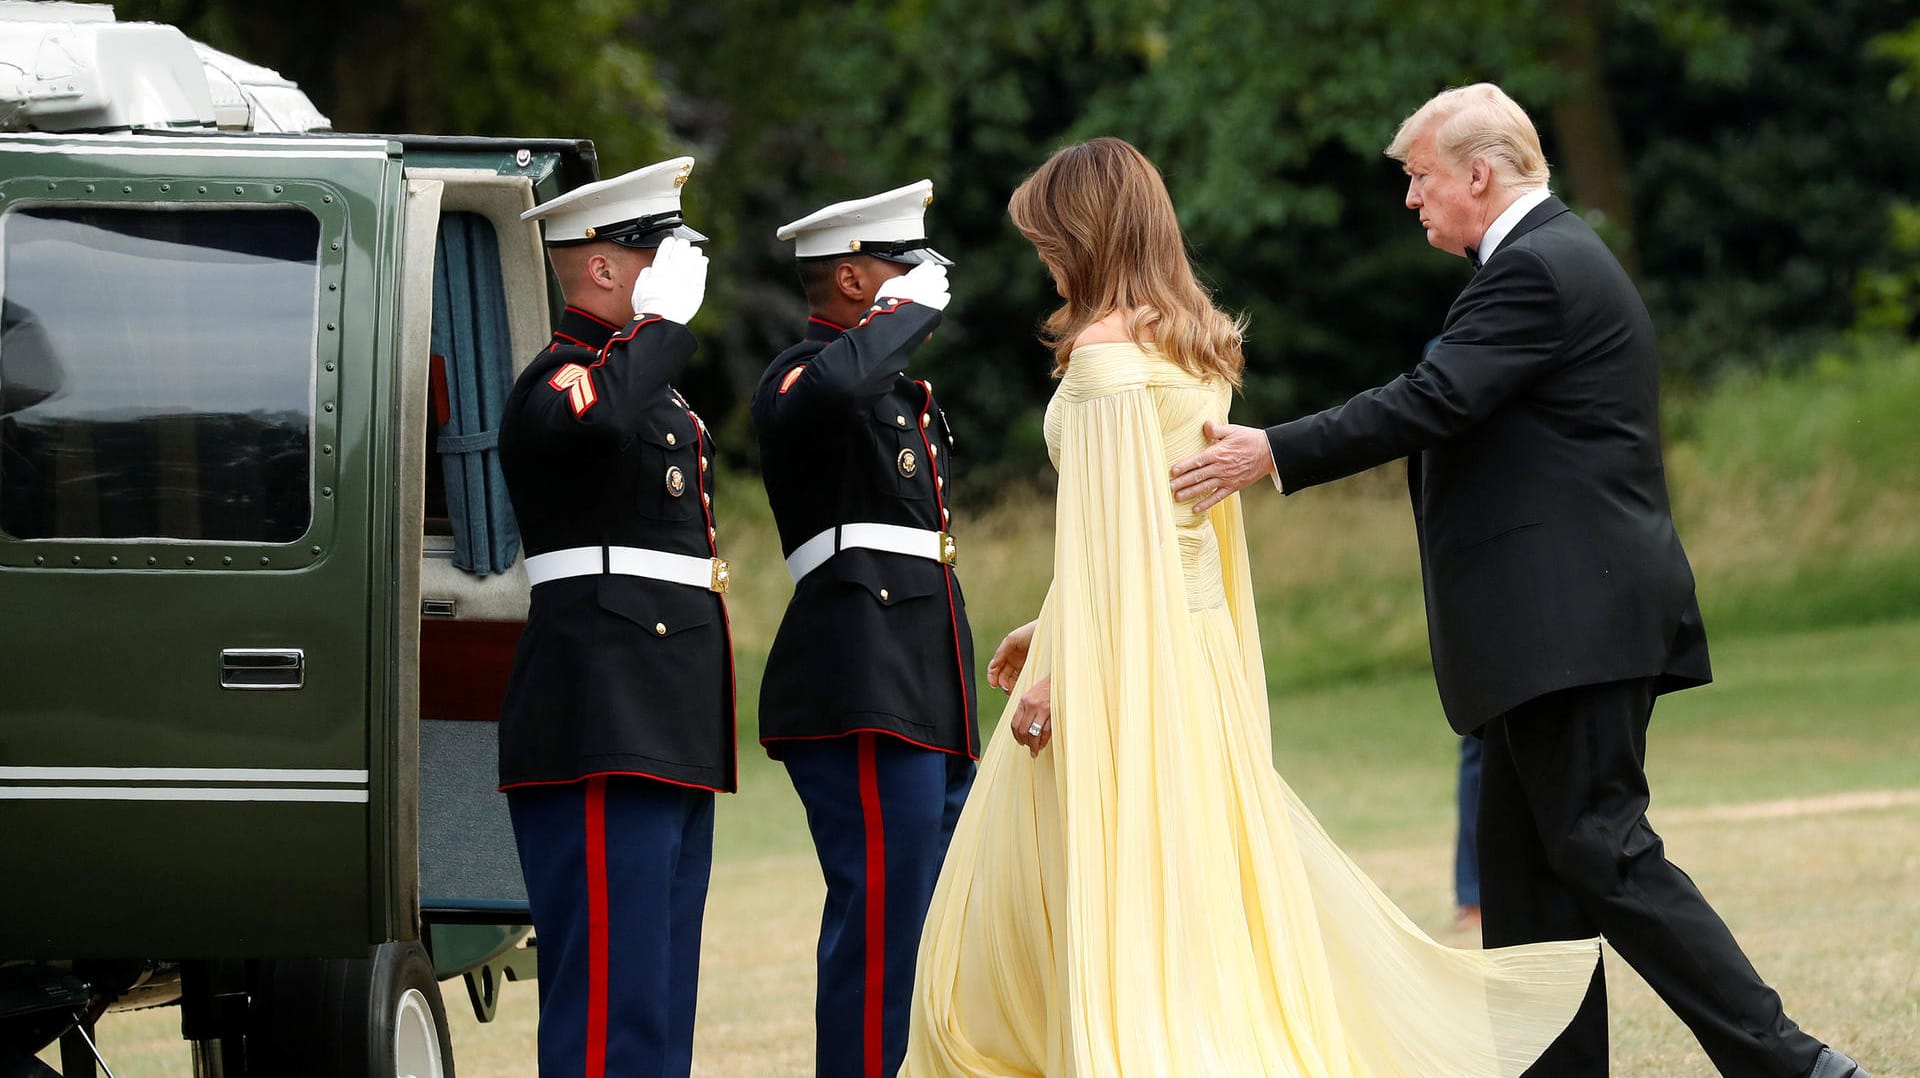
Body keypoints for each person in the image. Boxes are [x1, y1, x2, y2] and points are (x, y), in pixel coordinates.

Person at [1169, 84, 1866, 1078]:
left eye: (1419, 178)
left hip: (1570, 627)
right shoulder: (1545, 262)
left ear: (1479, 174)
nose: (1411, 200)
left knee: (1602, 849)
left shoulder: (1535, 269)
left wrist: (1270, 451)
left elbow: (1434, 398)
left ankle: (1796, 1065)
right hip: (1549, 632)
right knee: (1529, 883)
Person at [902, 136, 1600, 1078]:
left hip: (1128, 652)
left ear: (1084, 232)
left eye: (1046, 240)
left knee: (1108, 876)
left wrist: (1059, 664)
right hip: (1191, 641)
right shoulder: (1193, 342)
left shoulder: (1107, 358)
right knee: (1195, 864)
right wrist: (1053, 615)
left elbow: (1115, 533)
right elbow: (1152, 523)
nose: (1043, 260)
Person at [496, 156, 735, 1078]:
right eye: (657, 252)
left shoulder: (645, 387)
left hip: (664, 714)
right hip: (600, 715)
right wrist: (666, 324)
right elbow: (596, 426)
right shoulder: (556, 384)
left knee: (658, 994)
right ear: (602, 265)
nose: (676, 273)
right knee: (608, 997)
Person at [751, 180, 977, 1078]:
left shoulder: (887, 386)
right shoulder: (802, 376)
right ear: (853, 280)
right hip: (861, 681)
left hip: (923, 678)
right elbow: (825, 395)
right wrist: (902, 320)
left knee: (935, 915)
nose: (924, 288)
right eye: (901, 269)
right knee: (882, 924)